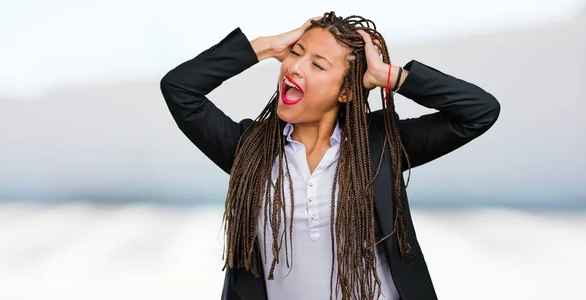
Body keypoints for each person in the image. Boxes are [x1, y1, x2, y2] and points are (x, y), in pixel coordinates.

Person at [160, 11, 500, 300]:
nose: (295, 67)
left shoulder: (381, 144)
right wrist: (266, 46)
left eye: (318, 65)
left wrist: (388, 76)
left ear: (347, 90)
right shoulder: (249, 149)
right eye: (296, 53)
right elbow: (180, 89)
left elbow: (479, 112)